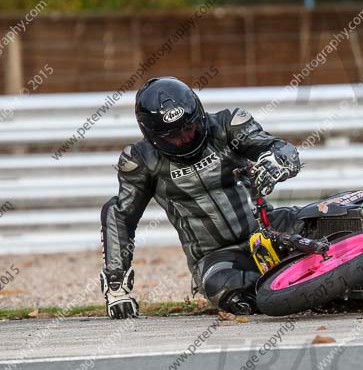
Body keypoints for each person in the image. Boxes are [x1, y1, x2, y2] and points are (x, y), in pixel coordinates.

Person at [100, 77, 301, 319]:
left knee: (329, 214)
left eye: (188, 127)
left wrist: (276, 161)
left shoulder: (229, 125)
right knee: (224, 289)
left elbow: (281, 148)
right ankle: (292, 283)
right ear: (152, 134)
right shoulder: (142, 161)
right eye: (172, 135)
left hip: (270, 229)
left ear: (199, 114)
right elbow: (120, 216)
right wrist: (116, 285)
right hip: (217, 256)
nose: (184, 138)